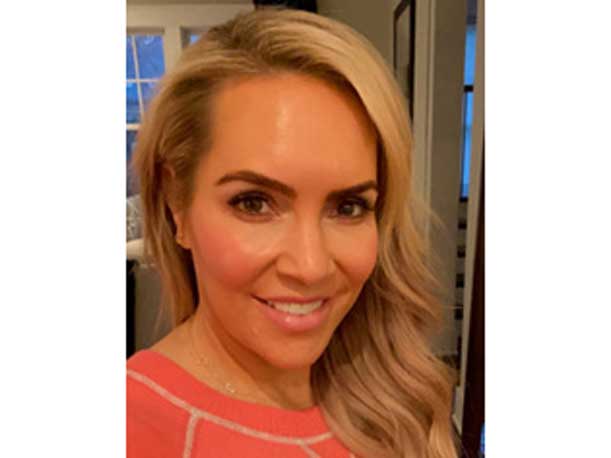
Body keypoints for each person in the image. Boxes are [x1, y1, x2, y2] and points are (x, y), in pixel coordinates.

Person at [128, 8, 457, 458]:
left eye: (348, 207)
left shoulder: (391, 397)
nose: (310, 267)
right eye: (254, 203)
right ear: (177, 205)